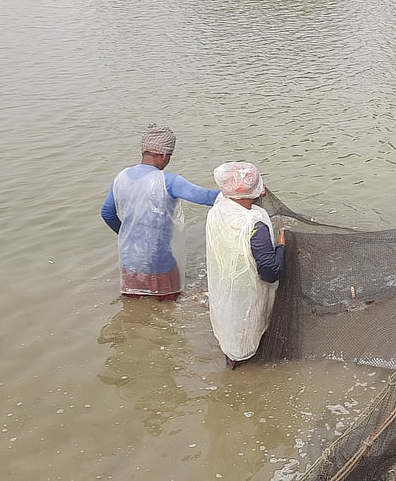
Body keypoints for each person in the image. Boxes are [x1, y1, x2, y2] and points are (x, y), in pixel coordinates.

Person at [101, 124, 220, 301]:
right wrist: (242, 191)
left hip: (129, 259)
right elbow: (206, 197)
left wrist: (127, 234)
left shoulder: (121, 177)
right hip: (159, 262)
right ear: (164, 155)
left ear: (144, 150)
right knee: (167, 308)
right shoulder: (169, 181)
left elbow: (107, 213)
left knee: (134, 304)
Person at [206, 162, 286, 369]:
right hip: (247, 293)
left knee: (232, 333)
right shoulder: (254, 224)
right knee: (248, 333)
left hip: (224, 291)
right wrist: (281, 248)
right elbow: (270, 271)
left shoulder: (220, 207)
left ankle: (233, 369)